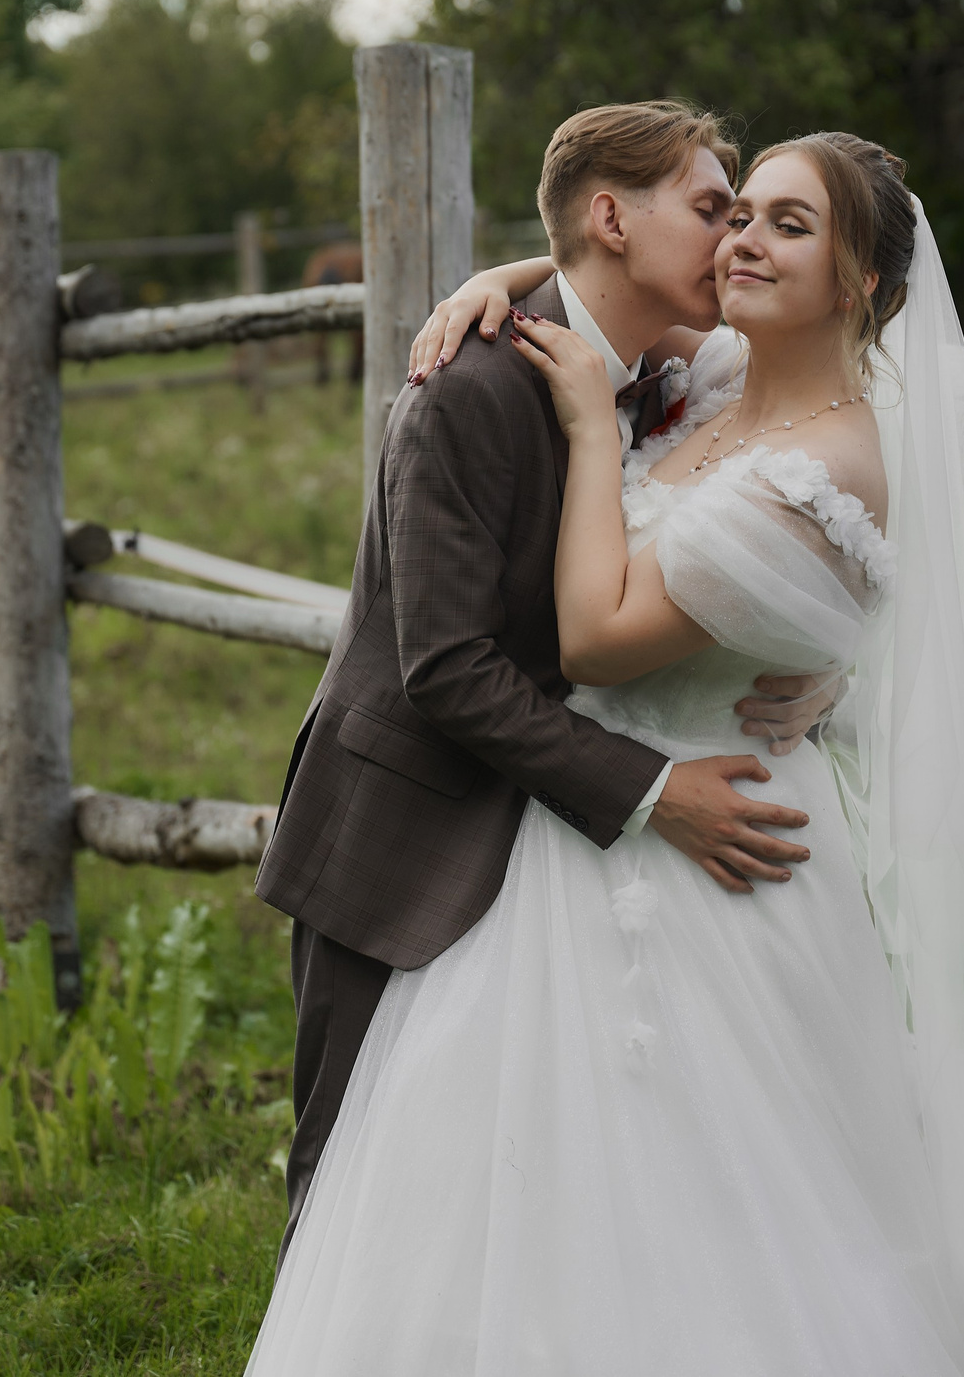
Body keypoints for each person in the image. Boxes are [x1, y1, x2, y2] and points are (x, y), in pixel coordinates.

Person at [246, 130, 964, 1375]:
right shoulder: (708, 371)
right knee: (442, 1182)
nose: (740, 238)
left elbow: (609, 628)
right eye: (731, 213)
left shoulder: (816, 446)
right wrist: (501, 280)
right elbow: (599, 277)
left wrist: (806, 627)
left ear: (858, 282)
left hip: (714, 837)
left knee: (732, 1196)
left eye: (785, 223)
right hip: (550, 820)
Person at [255, 101, 848, 1251]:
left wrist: (824, 662)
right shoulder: (465, 387)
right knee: (354, 1184)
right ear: (613, 216)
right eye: (711, 208)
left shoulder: (662, 372)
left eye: (746, 215)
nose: (731, 238)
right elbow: (446, 668)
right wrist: (654, 789)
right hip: (406, 816)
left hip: (542, 841)